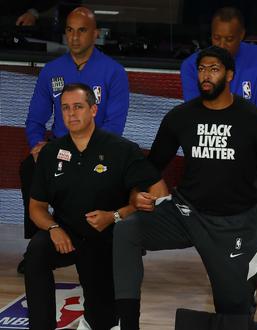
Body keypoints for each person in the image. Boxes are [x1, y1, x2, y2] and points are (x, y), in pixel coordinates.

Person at [113, 46, 257, 329]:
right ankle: (127, 323)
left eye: (214, 69)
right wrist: (135, 191)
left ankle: (242, 300)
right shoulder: (180, 117)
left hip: (236, 225)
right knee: (127, 229)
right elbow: (151, 165)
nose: (206, 76)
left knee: (234, 315)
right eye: (202, 69)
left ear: (230, 75)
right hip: (186, 213)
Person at [24, 83, 162, 330]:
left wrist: (115, 215)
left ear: (94, 110)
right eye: (65, 108)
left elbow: (154, 194)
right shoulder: (51, 152)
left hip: (107, 239)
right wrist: (53, 227)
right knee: (36, 252)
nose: (71, 114)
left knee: (102, 320)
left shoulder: (121, 150)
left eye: (78, 107)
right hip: (67, 234)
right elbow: (36, 207)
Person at [19, 6, 129, 273]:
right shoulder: (51, 71)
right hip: (61, 150)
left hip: (100, 150)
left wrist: (88, 149)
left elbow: (115, 126)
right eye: (70, 30)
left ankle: (106, 242)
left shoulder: (113, 72)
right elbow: (35, 120)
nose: (75, 37)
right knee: (29, 167)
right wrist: (38, 147)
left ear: (95, 34)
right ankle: (40, 241)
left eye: (82, 31)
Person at [180, 6, 257, 120]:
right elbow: (196, 116)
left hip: (250, 135)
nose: (222, 45)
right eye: (216, 38)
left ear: (241, 35)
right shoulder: (192, 65)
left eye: (229, 39)